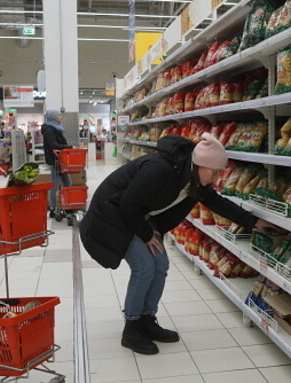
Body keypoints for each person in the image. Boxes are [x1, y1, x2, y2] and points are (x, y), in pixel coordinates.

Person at [80, 133, 278, 355]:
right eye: (214, 172)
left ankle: (147, 319)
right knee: (144, 266)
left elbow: (217, 202)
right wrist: (146, 235)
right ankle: (132, 327)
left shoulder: (193, 180)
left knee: (161, 265)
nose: (214, 179)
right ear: (200, 164)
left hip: (140, 216)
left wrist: (252, 222)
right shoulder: (160, 169)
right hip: (113, 214)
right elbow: (128, 204)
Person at [41, 108, 72, 218]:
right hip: (55, 161)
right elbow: (54, 145)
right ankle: (53, 209)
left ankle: (68, 206)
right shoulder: (49, 130)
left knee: (68, 183)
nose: (61, 117)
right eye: (59, 115)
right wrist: (70, 147)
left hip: (61, 161)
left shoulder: (57, 128)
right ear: (54, 117)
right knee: (54, 185)